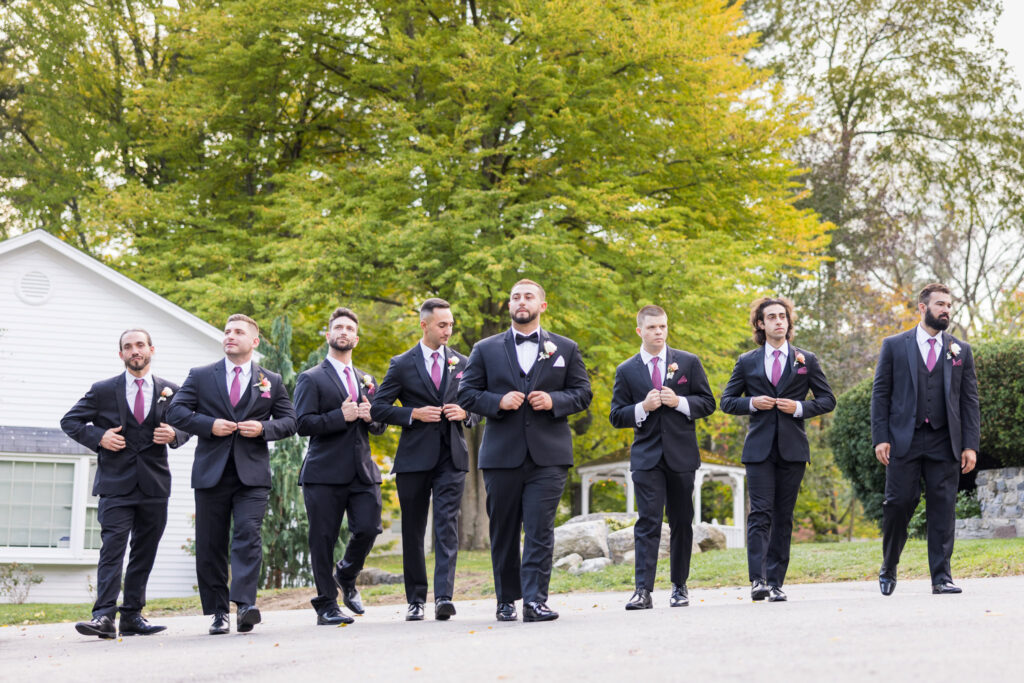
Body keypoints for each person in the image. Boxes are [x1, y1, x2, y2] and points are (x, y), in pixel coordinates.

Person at [458, 279, 592, 622]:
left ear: (542, 306)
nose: (521, 301)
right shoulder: (484, 349)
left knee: (539, 529)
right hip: (502, 454)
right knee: (503, 530)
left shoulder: (566, 348)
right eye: (515, 296)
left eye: (528, 296)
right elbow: (466, 394)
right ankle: (506, 599)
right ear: (509, 305)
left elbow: (582, 394)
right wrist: (497, 401)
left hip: (549, 456)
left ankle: (535, 601)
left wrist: (554, 400)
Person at [167, 314, 296, 634]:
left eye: (238, 332)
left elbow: (291, 421)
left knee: (248, 535)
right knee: (210, 543)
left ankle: (246, 605)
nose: (230, 336)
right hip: (211, 472)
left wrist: (263, 428)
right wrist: (208, 425)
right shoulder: (200, 376)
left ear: (254, 341)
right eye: (227, 332)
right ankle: (218, 611)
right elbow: (175, 412)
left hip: (251, 474)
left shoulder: (272, 380)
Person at [61, 329, 189, 638]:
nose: (135, 350)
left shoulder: (172, 390)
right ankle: (104, 616)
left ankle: (132, 614)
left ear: (151, 350)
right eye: (128, 346)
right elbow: (70, 421)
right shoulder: (103, 390)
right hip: (115, 484)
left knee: (145, 550)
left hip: (154, 485)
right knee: (113, 548)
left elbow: (189, 424)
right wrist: (100, 437)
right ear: (121, 354)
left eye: (140, 345)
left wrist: (175, 435)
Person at [720, 297, 835, 602]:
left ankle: (776, 582)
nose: (778, 322)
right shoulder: (747, 361)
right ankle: (757, 580)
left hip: (793, 450)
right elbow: (727, 401)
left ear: (789, 321)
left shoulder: (805, 360)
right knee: (760, 513)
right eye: (771, 317)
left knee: (784, 516)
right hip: (758, 451)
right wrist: (751, 403)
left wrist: (799, 407)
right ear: (761, 324)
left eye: (782, 316)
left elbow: (827, 400)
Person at [871, 283, 979, 596]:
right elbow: (881, 394)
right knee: (898, 504)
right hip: (903, 439)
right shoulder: (894, 345)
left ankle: (941, 577)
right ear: (922, 308)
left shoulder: (961, 350)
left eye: (949, 305)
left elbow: (969, 401)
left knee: (943, 508)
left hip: (945, 441)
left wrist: (970, 444)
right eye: (940, 304)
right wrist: (881, 437)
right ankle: (889, 564)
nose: (946, 310)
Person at [371, 298, 476, 621]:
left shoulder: (464, 362)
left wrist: (466, 412)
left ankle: (444, 597)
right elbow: (378, 409)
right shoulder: (402, 363)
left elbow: (478, 404)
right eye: (442, 325)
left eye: (451, 325)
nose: (448, 331)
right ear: (425, 325)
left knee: (447, 526)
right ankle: (416, 599)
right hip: (413, 459)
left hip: (452, 457)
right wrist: (412, 414)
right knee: (414, 530)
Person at [609, 305, 716, 610]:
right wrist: (642, 407)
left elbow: (708, 403)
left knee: (682, 521)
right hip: (646, 457)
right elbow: (617, 415)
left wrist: (679, 401)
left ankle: (679, 586)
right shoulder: (626, 370)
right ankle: (642, 590)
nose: (659, 332)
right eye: (653, 327)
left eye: (663, 327)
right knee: (648, 521)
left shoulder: (688, 362)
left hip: (682, 456)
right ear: (639, 331)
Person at [294, 307, 387, 625]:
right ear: (328, 334)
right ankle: (326, 605)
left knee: (369, 527)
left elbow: (379, 427)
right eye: (338, 327)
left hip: (362, 471)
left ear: (356, 339)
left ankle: (346, 574)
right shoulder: (311, 378)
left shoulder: (367, 380)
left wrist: (370, 416)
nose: (343, 332)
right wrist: (340, 416)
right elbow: (302, 423)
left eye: (349, 328)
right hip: (323, 473)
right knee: (322, 538)